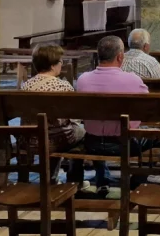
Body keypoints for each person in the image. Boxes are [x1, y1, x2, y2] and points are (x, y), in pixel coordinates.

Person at [71, 36, 152, 188]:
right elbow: (146, 109)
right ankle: (137, 182)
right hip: (125, 144)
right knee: (158, 139)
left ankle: (101, 178)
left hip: (92, 142)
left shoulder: (83, 79)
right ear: (120, 56)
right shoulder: (132, 80)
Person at [21, 44, 85, 178]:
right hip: (57, 141)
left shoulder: (26, 86)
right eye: (60, 61)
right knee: (82, 132)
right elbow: (73, 115)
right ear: (52, 65)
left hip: (32, 139)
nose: (61, 64)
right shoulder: (62, 86)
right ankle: (75, 179)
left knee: (53, 129)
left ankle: (51, 177)